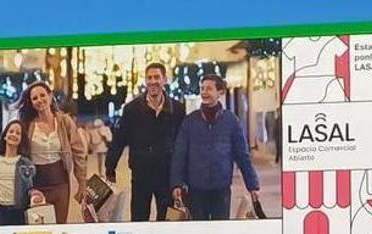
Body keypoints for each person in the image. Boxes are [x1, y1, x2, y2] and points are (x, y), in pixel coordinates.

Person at [170, 74, 260, 221]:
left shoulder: (231, 121)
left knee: (220, 229)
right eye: (202, 88)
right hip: (196, 189)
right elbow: (180, 154)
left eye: (209, 89)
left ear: (220, 92)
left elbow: (242, 155)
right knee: (199, 230)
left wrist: (253, 185)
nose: (204, 92)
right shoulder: (190, 121)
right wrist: (176, 184)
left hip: (221, 189)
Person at [104, 63, 185, 222]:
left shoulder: (177, 109)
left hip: (167, 175)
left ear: (164, 80)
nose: (153, 81)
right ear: (145, 80)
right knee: (139, 219)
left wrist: (183, 176)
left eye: (157, 77)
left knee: (166, 221)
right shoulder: (131, 109)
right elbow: (119, 140)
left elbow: (182, 144)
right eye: (149, 78)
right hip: (141, 175)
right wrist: (110, 168)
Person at [18, 82, 86, 224]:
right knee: (39, 228)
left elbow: (78, 153)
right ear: (31, 103)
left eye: (42, 95)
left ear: (50, 96)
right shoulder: (27, 125)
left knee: (59, 226)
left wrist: (82, 183)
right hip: (36, 184)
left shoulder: (64, 121)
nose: (39, 100)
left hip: (60, 182)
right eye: (35, 98)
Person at [0, 120, 36, 226]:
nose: (14, 135)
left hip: (18, 212)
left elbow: (30, 187)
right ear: (5, 136)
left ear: (21, 139)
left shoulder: (26, 163)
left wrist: (35, 194)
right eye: (11, 131)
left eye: (18, 133)